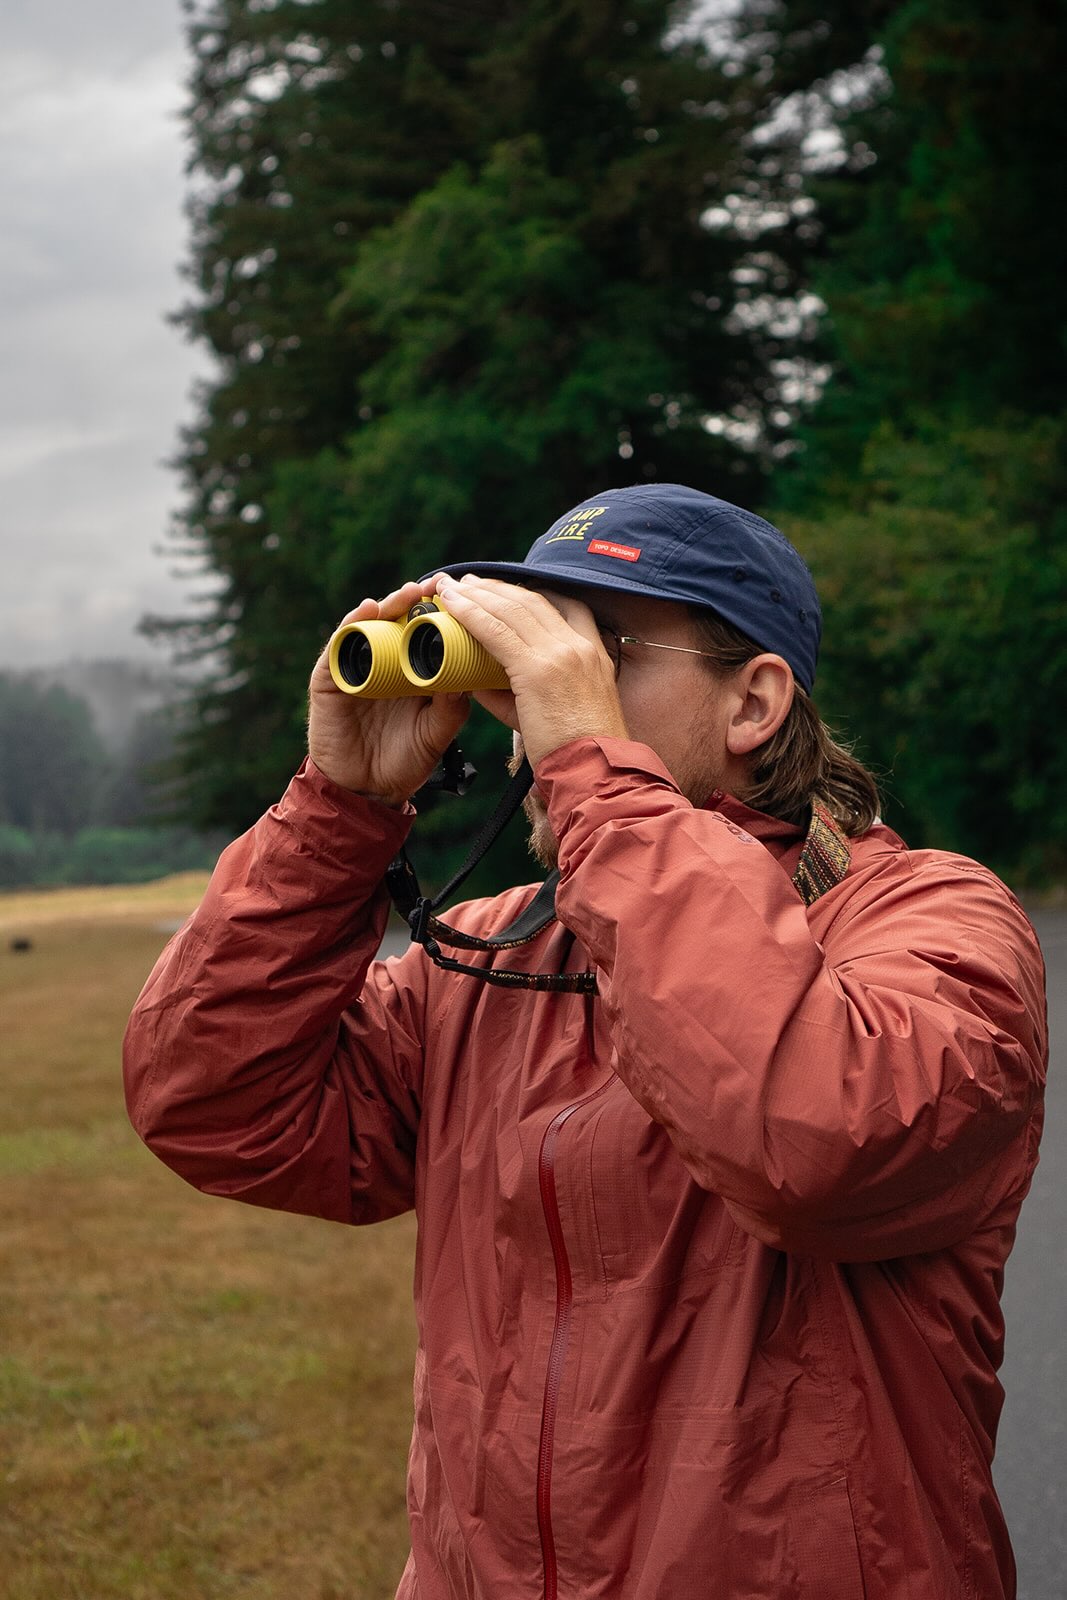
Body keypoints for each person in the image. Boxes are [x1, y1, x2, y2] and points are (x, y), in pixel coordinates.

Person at [123, 483, 1047, 1600]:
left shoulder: (927, 922)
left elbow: (812, 1137)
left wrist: (601, 784)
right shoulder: (488, 960)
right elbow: (214, 1103)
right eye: (524, 656)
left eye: (594, 652)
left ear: (752, 703)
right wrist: (338, 811)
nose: (535, 699)